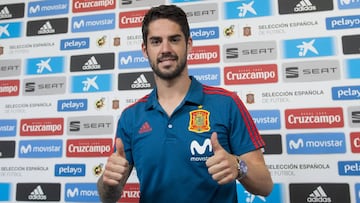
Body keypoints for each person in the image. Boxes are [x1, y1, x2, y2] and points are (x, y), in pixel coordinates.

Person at [97, 4, 273, 203]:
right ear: (145, 50)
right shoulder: (131, 116)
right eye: (156, 41)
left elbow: (265, 185)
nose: (165, 49)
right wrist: (109, 182)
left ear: (189, 44)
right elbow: (108, 197)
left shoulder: (226, 103)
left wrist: (238, 166)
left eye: (174, 39)